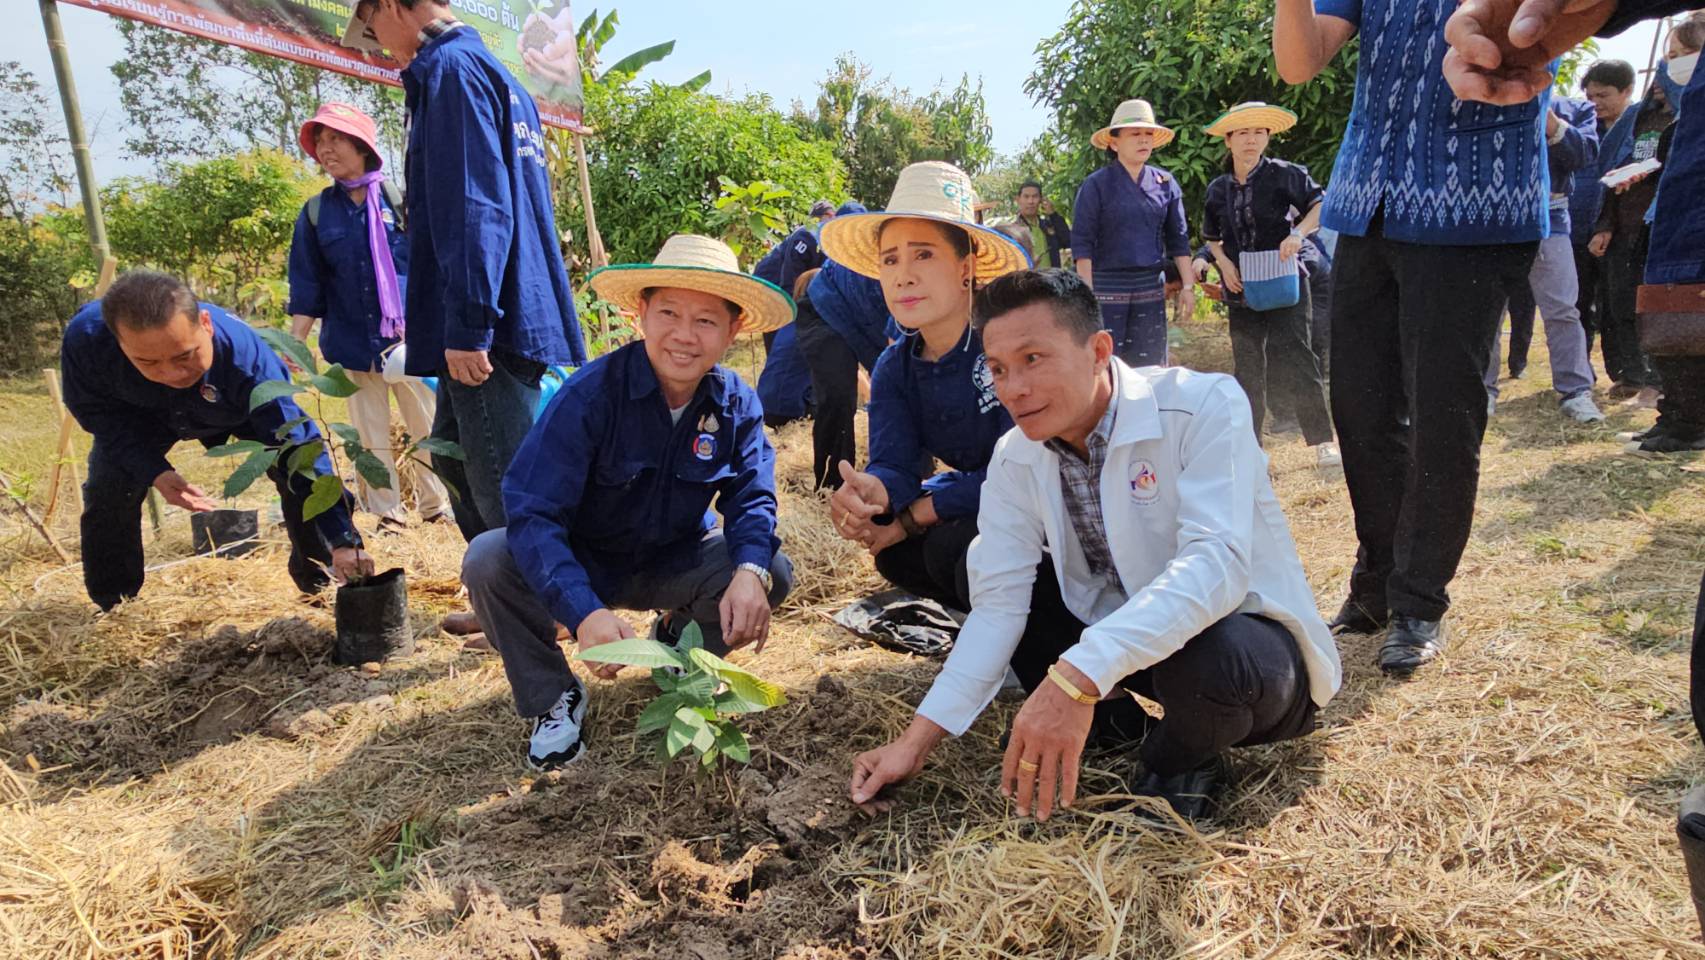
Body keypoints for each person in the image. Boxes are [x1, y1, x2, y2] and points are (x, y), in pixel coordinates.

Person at [847, 270, 1341, 822]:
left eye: (1034, 359)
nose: (1014, 388)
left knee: (1212, 660)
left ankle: (1175, 759)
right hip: (1123, 644)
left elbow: (1216, 565)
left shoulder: (1200, 405)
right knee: (1002, 583)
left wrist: (1076, 676)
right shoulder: (1016, 457)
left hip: (1248, 651)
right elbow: (998, 609)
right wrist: (912, 744)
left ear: (1099, 350)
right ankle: (1119, 727)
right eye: (999, 369)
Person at [1274, 0, 1554, 679]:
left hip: (1473, 203)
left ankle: (1418, 600)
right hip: (1368, 199)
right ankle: (1376, 577)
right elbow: (1299, 61)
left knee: (1442, 412)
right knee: (1361, 410)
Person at [460, 235, 797, 769]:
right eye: (669, 312)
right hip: (586, 562)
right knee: (488, 559)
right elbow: (534, 511)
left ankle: (679, 653)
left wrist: (750, 569)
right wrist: (583, 610)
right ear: (640, 313)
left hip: (674, 559)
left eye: (706, 321)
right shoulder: (591, 395)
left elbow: (753, 495)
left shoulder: (735, 402)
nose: (684, 337)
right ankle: (553, 697)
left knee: (769, 568)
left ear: (733, 330)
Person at [341, 0, 587, 547]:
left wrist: (472, 325)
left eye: (371, 21)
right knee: (453, 457)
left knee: (500, 484)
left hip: (490, 327)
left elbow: (477, 209)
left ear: (388, 5)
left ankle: (528, 607)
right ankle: (499, 594)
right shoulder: (484, 71)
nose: (375, 37)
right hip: (500, 312)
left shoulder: (452, 74)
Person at [60, 270, 375, 610]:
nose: (171, 374)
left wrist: (343, 539)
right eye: (147, 362)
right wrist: (152, 470)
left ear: (206, 324)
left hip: (233, 405)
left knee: (294, 470)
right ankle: (116, 603)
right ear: (119, 343)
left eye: (184, 356)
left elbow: (298, 446)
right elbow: (96, 415)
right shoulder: (87, 340)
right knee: (109, 488)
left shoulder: (250, 363)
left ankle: (319, 582)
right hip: (139, 416)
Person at [818, 161, 1030, 611]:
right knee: (898, 554)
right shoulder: (896, 366)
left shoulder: (1007, 345)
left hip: (1048, 507)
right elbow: (895, 463)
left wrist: (918, 513)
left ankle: (1030, 633)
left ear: (966, 268)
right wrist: (875, 492)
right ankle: (996, 624)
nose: (903, 275)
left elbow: (1029, 470)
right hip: (986, 500)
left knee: (961, 546)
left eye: (924, 254)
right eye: (890, 259)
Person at [286, 102, 451, 531]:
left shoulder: (402, 202)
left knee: (427, 426)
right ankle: (386, 514)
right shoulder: (317, 213)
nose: (326, 149)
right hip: (351, 344)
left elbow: (434, 266)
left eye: (335, 139)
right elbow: (307, 286)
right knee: (367, 436)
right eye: (320, 142)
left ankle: (438, 507)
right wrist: (295, 344)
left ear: (362, 146)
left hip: (413, 342)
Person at [1199, 101, 1341, 467]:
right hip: (1240, 284)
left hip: (1284, 278)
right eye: (1243, 133)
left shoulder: (1285, 174)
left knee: (1299, 355)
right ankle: (1251, 446)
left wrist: (1298, 234)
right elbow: (1212, 235)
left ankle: (1323, 442)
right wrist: (1224, 262)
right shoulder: (1217, 189)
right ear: (1228, 140)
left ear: (1268, 137)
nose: (1251, 140)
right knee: (1247, 364)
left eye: (1259, 132)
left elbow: (1320, 205)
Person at [1483, 95, 1606, 423]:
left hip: (1551, 221)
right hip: (1492, 223)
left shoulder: (1576, 109)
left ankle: (1576, 392)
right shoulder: (1485, 98)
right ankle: (1482, 392)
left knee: (1564, 310)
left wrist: (1549, 120)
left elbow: (1585, 154)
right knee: (1487, 312)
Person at [1071, 99, 1197, 368]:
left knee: (1149, 366)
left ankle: (1148, 411)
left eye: (1148, 134)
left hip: (1151, 287)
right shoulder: (1096, 185)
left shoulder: (1165, 183)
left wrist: (1187, 286)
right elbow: (1082, 245)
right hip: (1106, 288)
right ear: (1114, 143)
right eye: (1135, 134)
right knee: (1106, 366)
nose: (1143, 140)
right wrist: (1087, 297)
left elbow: (1179, 239)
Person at [1590, 78, 1672, 411]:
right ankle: (1633, 376)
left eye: (1682, 55)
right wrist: (1605, 225)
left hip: (1666, 227)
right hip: (1626, 226)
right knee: (1622, 303)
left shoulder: (1687, 118)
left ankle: (1659, 385)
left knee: (1661, 309)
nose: (1666, 72)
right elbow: (1612, 169)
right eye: (1668, 57)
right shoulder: (1637, 119)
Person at [794, 252, 891, 490]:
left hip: (856, 317)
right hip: (824, 312)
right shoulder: (858, 276)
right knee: (838, 400)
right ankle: (832, 484)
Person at [1572, 60, 1639, 374]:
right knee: (1578, 304)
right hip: (1578, 231)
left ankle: (1623, 371)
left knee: (1616, 305)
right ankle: (1580, 370)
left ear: (1627, 91)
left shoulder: (1641, 130)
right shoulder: (1583, 132)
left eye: (1603, 95)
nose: (1595, 103)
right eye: (1590, 96)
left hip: (1620, 232)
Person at [1007, 181, 1072, 269]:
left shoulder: (1048, 225)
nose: (1031, 201)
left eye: (1035, 196)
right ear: (1018, 200)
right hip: (1025, 280)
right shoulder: (1012, 230)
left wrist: (1053, 214)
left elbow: (1068, 241)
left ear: (1041, 200)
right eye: (1026, 197)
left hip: (1050, 280)